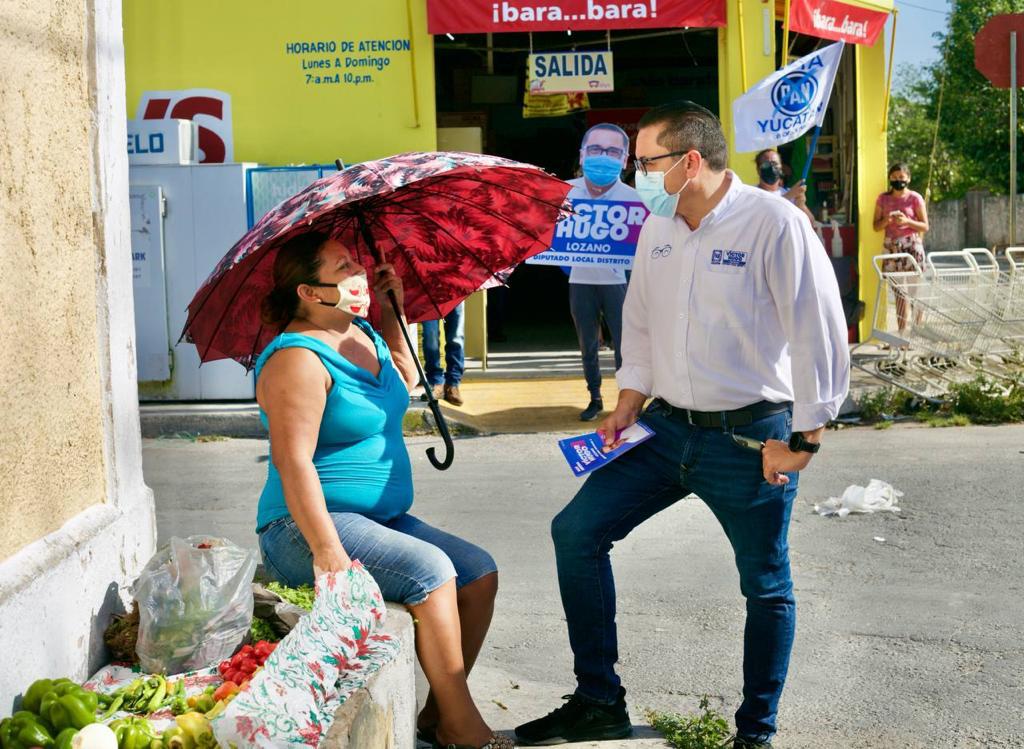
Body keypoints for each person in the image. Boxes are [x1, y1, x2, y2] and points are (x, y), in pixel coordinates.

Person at [515, 102, 850, 748]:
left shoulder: (772, 223)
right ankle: (598, 699)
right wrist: (628, 397)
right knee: (576, 532)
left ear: (691, 161)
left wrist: (805, 439)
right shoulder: (658, 230)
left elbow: (819, 332)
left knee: (766, 584)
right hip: (665, 431)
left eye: (646, 163)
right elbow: (638, 321)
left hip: (750, 437)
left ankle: (755, 732)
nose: (635, 174)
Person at [254, 232, 508, 749]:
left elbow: (404, 379)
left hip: (378, 521)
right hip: (304, 527)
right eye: (343, 268)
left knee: (478, 573)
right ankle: (464, 727)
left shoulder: (361, 333)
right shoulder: (296, 359)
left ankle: (439, 715)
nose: (359, 276)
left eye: (358, 265)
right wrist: (328, 551)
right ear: (309, 292)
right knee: (433, 573)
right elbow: (292, 460)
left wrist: (393, 314)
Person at [568, 123, 640, 421]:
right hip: (580, 281)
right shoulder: (564, 193)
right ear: (582, 155)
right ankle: (594, 397)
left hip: (617, 282)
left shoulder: (635, 199)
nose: (603, 157)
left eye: (612, 151)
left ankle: (626, 402)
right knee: (588, 345)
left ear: (625, 160)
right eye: (596, 150)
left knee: (626, 347)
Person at [873, 162, 929, 332]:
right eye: (895, 177)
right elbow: (876, 226)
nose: (898, 180)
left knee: (914, 291)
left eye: (901, 177)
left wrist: (907, 221)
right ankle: (902, 331)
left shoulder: (915, 198)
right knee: (898, 293)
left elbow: (925, 226)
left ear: (908, 179)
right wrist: (887, 220)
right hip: (891, 247)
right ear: (890, 178)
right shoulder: (883, 199)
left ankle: (917, 330)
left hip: (911, 245)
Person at [755, 148, 816, 227]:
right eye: (766, 164)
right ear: (758, 169)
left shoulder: (789, 192)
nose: (771, 167)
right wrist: (788, 196)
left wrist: (801, 205)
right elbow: (765, 215)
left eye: (775, 164)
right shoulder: (753, 194)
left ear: (781, 167)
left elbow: (811, 223)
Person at [422, 303, 465, 406]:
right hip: (428, 292)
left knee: (456, 337)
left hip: (455, 291)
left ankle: (452, 384)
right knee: (430, 337)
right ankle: (435, 382)